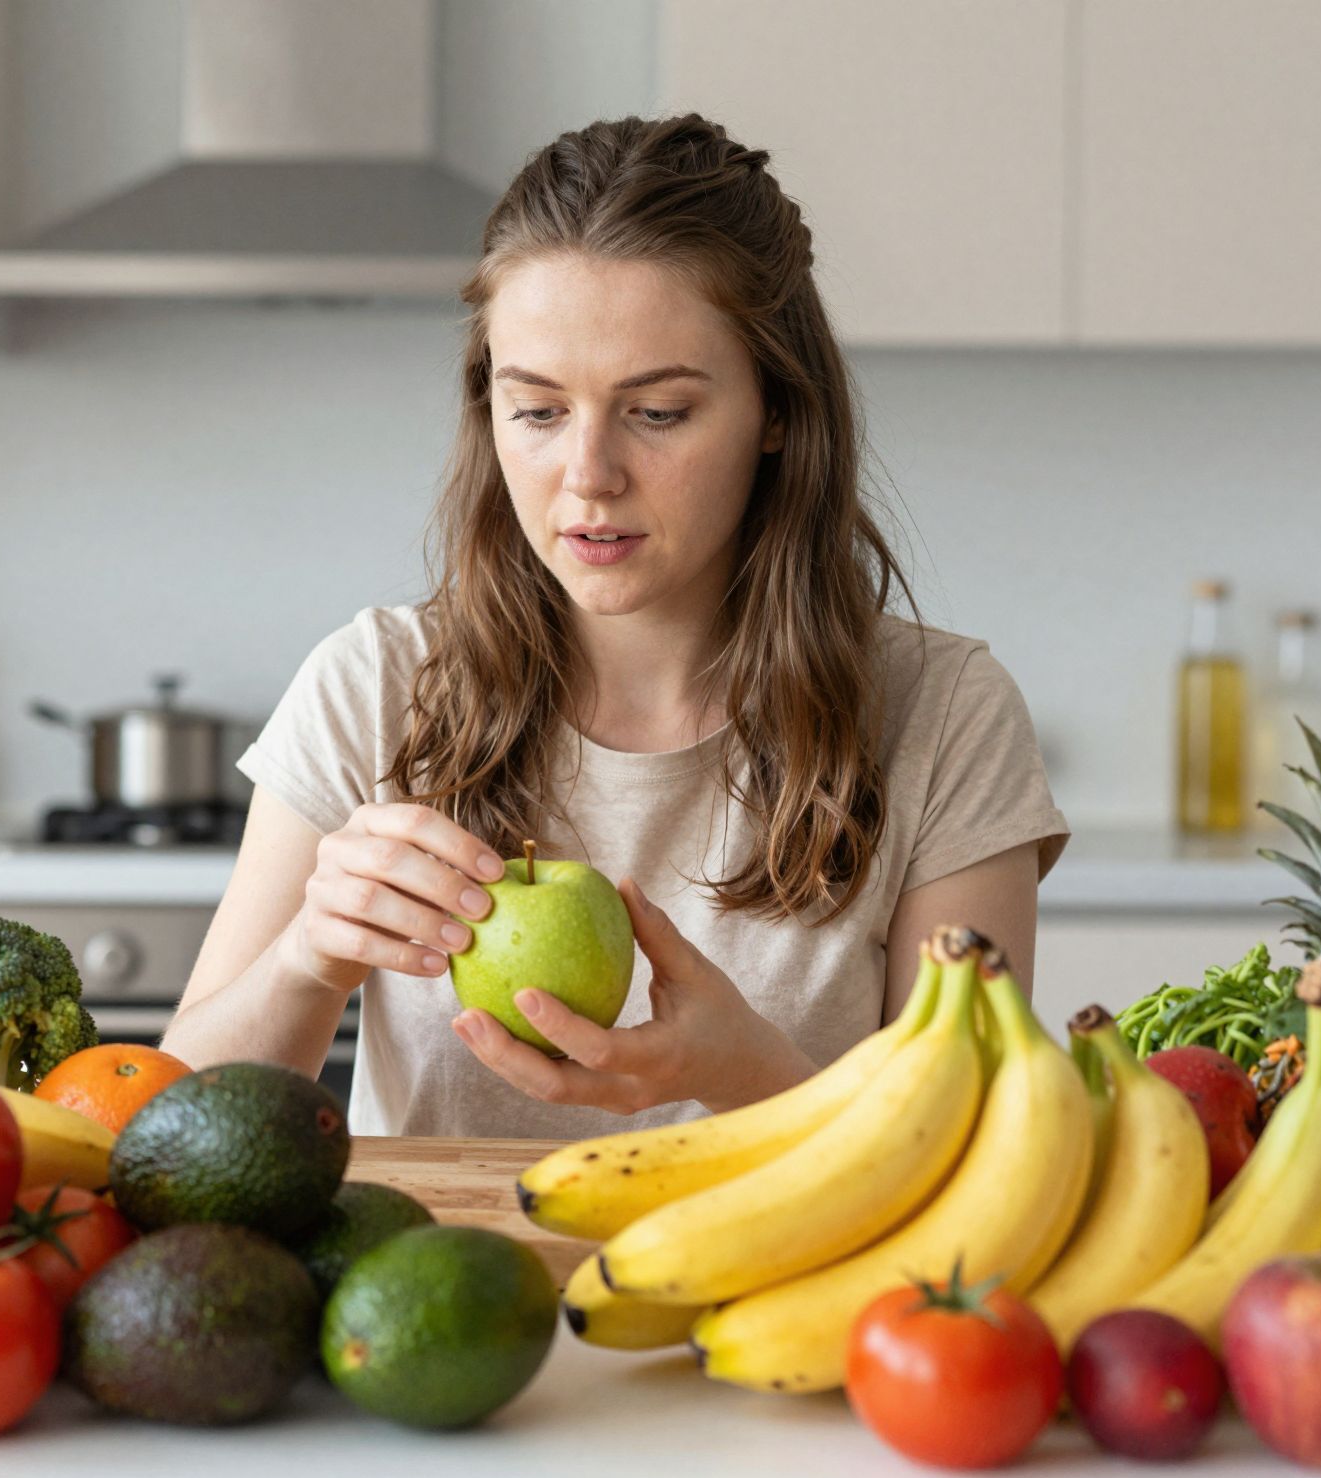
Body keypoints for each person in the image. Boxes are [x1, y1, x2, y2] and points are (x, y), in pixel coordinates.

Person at [163, 114, 1068, 1138]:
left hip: (783, 1300)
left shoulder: (943, 717)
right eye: (538, 412)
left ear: (777, 410)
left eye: (657, 412)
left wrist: (751, 1079)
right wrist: (305, 959)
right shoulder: (373, 682)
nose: (586, 476)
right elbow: (166, 1132)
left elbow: (981, 1160)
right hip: (431, 1296)